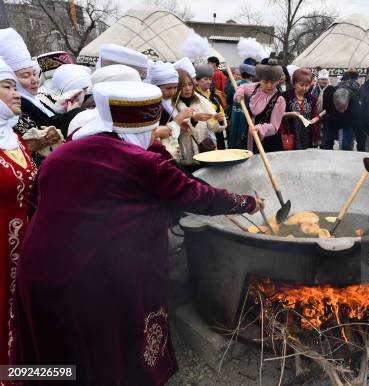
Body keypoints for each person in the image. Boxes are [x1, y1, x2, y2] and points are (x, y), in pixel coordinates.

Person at [10, 80, 262, 385]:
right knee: (109, 353)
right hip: (96, 279)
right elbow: (198, 196)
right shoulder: (143, 162)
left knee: (57, 352)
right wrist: (247, 202)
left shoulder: (61, 155)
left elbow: (36, 204)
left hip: (38, 273)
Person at [0, 57, 36, 366]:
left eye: (16, 86)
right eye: (8, 86)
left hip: (23, 242)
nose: (16, 94)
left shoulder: (15, 138)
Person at [0, 28, 83, 139]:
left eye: (34, 73)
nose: (34, 80)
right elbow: (48, 131)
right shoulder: (16, 108)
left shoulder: (35, 100)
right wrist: (72, 112)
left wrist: (61, 109)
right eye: (26, 76)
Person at [234, 58, 286, 153]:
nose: (269, 85)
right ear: (260, 79)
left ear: (278, 81)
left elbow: (274, 126)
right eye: (265, 82)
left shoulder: (279, 100)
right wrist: (239, 93)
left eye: (273, 82)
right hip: (249, 136)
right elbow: (243, 87)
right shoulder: (255, 88)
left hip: (268, 141)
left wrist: (259, 128)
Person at [175, 69, 219, 166]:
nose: (187, 88)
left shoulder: (201, 101)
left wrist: (217, 118)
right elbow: (173, 129)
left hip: (204, 150)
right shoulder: (171, 104)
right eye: (183, 85)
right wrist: (193, 119)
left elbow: (214, 126)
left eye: (190, 84)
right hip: (185, 152)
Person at [281, 68, 320, 149]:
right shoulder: (285, 96)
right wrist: (289, 114)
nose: (304, 88)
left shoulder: (311, 98)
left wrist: (315, 119)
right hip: (291, 132)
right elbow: (277, 115)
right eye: (301, 85)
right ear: (294, 83)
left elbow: (316, 114)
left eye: (307, 85)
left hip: (307, 133)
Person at [195, 64, 228, 150]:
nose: (209, 82)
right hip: (204, 134)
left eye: (210, 79)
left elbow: (222, 113)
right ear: (197, 81)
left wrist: (221, 118)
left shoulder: (215, 96)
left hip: (217, 131)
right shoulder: (195, 97)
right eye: (205, 79)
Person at [228, 58, 257, 149]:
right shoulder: (254, 87)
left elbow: (228, 100)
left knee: (234, 135)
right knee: (243, 138)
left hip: (235, 113)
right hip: (246, 117)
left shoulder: (234, 84)